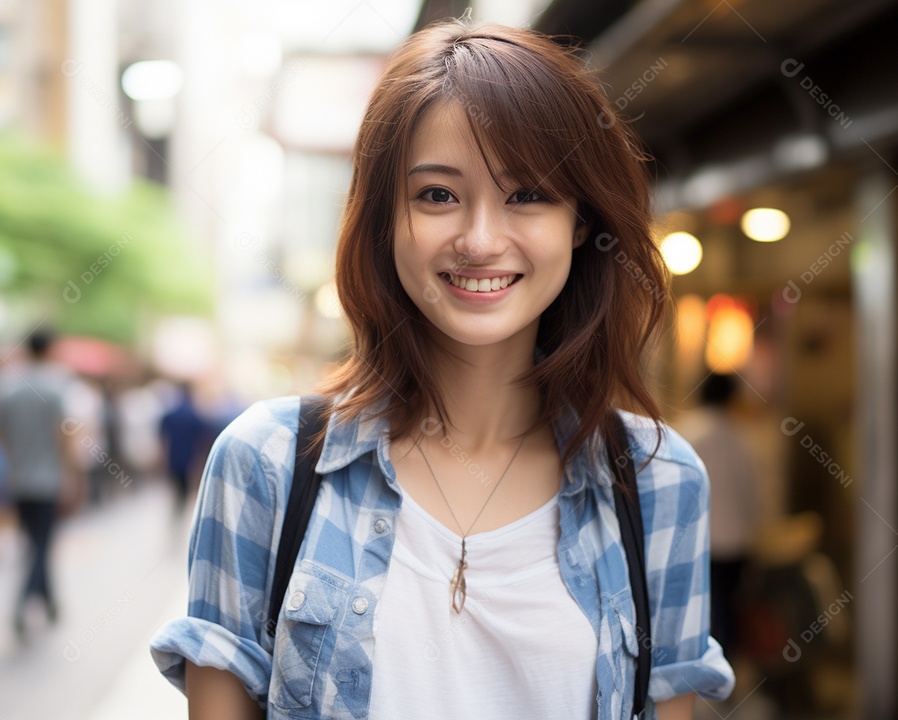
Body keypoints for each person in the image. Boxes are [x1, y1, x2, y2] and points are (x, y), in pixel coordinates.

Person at [151, 20, 734, 719]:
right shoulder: (268, 464)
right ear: (382, 218)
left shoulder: (658, 481)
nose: (481, 240)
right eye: (437, 195)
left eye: (528, 195)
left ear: (582, 220)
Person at [0, 330, 77, 638]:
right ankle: (24, 601)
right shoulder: (56, 387)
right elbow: (64, 435)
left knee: (36, 543)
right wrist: (71, 475)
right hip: (47, 480)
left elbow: (0, 435)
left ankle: (50, 603)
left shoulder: (8, 388)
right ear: (50, 349)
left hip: (17, 479)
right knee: (41, 544)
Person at [674, 373, 759, 663]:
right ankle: (727, 667)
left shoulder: (686, 433)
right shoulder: (739, 436)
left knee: (700, 610)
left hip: (698, 540)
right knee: (728, 608)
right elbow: (749, 491)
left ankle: (704, 670)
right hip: (735, 539)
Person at [159, 382, 210, 514]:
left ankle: (177, 510)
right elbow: (202, 440)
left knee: (177, 487)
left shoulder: (171, 414)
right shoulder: (194, 415)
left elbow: (162, 437)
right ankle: (180, 510)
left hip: (173, 457)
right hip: (189, 458)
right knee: (184, 489)